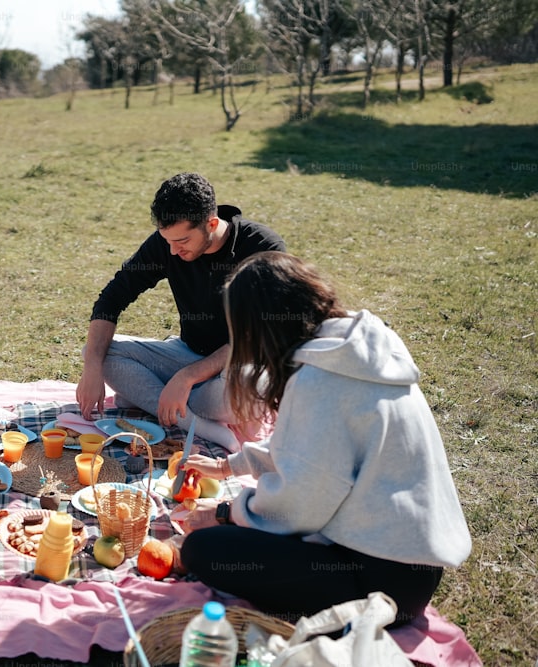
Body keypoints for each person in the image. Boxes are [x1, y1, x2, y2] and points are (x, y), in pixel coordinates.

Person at [179, 251, 471, 626]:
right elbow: (312, 449)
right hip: (409, 565)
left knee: (204, 549)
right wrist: (230, 466)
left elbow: (300, 504)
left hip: (381, 586)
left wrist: (224, 514)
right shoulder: (352, 349)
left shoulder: (318, 380)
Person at [76, 172, 285, 448]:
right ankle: (201, 424)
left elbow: (256, 337)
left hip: (239, 365)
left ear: (211, 223)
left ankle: (158, 397)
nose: (173, 251)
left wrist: (187, 377)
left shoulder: (263, 248)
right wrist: (91, 370)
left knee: (253, 389)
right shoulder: (168, 243)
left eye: (183, 241)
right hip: (187, 354)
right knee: (98, 352)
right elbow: (112, 298)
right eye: (168, 241)